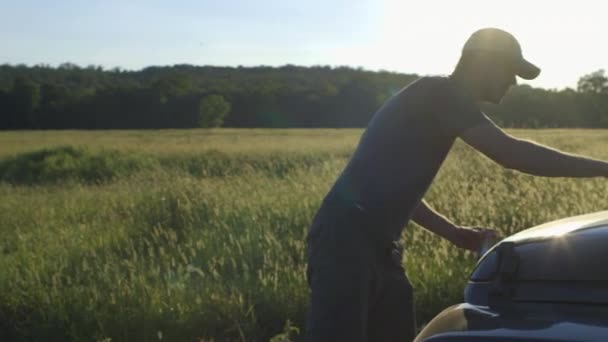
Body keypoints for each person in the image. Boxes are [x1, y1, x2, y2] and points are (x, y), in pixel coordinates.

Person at [304, 27, 608, 342]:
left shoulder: (439, 100)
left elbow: (393, 189)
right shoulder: (440, 94)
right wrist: (604, 169)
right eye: (511, 71)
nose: (513, 82)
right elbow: (511, 153)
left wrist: (452, 232)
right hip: (346, 243)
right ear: (485, 65)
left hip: (380, 249)